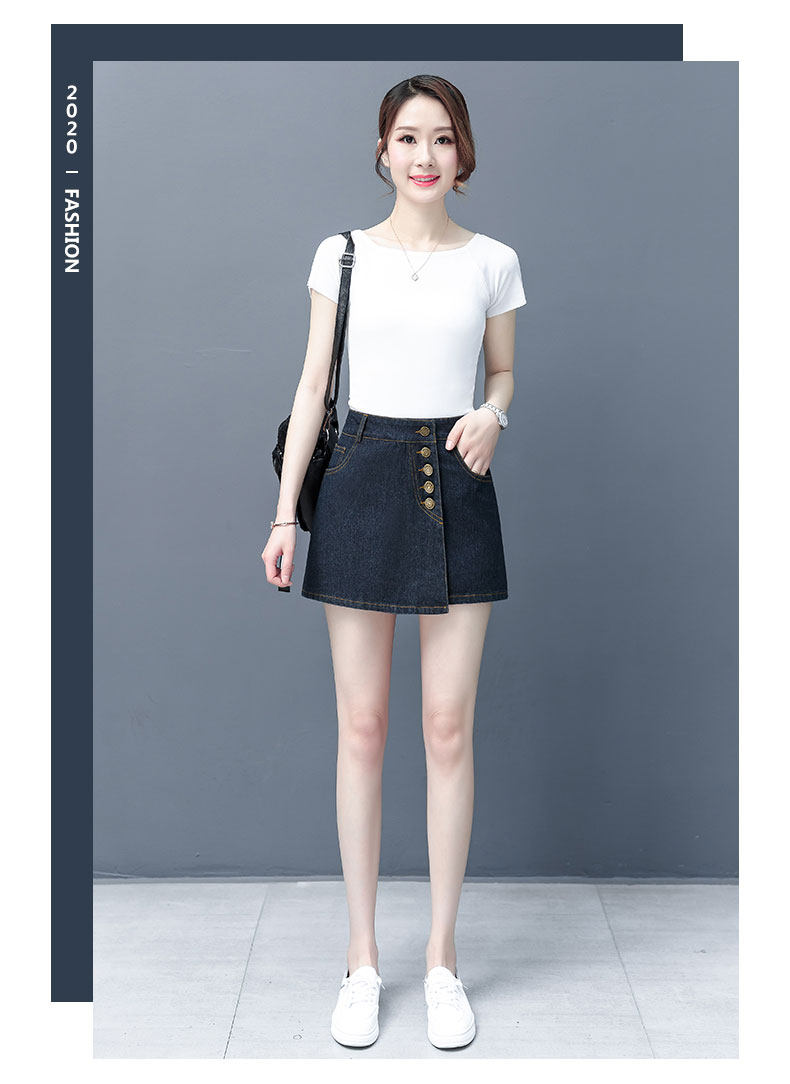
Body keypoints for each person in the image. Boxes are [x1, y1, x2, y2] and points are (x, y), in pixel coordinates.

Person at [261, 74, 526, 1050]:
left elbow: (502, 371)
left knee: (447, 728)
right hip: (362, 476)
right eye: (407, 138)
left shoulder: (494, 261)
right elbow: (313, 385)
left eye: (441, 138)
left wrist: (493, 414)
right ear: (382, 151)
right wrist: (284, 514)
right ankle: (362, 960)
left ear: (464, 153)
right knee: (363, 727)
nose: (424, 155)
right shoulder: (341, 255)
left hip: (455, 478)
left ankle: (443, 961)